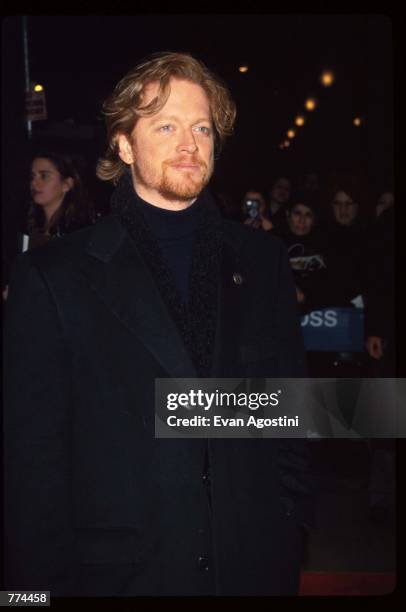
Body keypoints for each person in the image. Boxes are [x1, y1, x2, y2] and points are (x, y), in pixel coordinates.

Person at [4, 52, 315, 597]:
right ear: (124, 144)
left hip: (252, 567)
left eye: (201, 127)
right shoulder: (54, 276)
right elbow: (33, 462)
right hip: (119, 576)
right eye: (166, 125)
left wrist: (288, 530)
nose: (189, 143)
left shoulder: (261, 261)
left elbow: (288, 412)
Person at [25, 150, 96, 250]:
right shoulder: (31, 229)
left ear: (66, 184)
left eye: (44, 176)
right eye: (32, 176)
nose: (34, 183)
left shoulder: (77, 235)